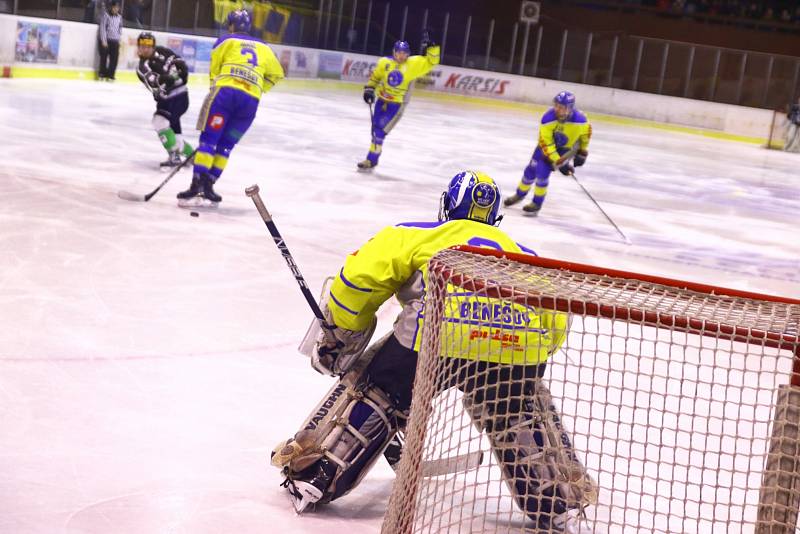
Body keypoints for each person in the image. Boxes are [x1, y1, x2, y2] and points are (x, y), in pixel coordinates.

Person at [270, 171, 597, 529]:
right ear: (494, 217)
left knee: (379, 393)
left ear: (447, 205)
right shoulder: (523, 254)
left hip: (435, 337)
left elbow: (357, 282)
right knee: (515, 410)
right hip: (516, 345)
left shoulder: (417, 233)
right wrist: (522, 353)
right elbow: (556, 320)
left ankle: (316, 477)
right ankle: (554, 499)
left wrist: (343, 333)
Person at [177, 9, 284, 204]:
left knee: (208, 141)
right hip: (250, 102)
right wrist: (259, 88)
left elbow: (214, 71)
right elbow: (277, 74)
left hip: (225, 94)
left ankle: (197, 184)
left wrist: (215, 89)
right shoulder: (265, 48)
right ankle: (209, 184)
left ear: (231, 26)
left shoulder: (225, 41)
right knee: (226, 146)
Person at [357, 35, 440, 171]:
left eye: (404, 53)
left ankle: (371, 160)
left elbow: (432, 62)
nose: (401, 56)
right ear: (394, 52)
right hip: (380, 102)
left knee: (379, 132)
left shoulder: (413, 65)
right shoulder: (384, 63)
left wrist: (432, 48)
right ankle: (371, 160)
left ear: (408, 54)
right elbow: (376, 77)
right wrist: (369, 89)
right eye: (399, 52)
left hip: (396, 106)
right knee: (375, 131)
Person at [504, 91, 592, 216]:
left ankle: (536, 203)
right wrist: (560, 163)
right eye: (556, 105)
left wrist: (582, 153)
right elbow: (547, 144)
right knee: (529, 171)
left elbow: (585, 136)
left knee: (542, 173)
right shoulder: (548, 118)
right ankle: (519, 195)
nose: (557, 109)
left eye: (561, 107)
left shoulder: (581, 121)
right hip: (543, 149)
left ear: (570, 108)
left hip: (563, 151)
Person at [135, 33, 195, 169]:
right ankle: (191, 155)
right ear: (139, 47)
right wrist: (166, 78)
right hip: (166, 101)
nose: (145, 49)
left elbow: (178, 63)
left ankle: (174, 156)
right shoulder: (142, 67)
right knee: (174, 136)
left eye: (148, 46)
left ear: (153, 46)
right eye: (143, 46)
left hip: (179, 97)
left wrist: (182, 70)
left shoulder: (163, 51)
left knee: (159, 121)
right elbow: (156, 83)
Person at [98, 0, 122, 81]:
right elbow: (102, 28)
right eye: (114, 7)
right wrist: (104, 41)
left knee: (114, 59)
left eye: (117, 8)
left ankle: (111, 75)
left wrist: (119, 39)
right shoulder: (106, 15)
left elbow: (120, 29)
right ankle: (102, 73)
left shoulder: (119, 17)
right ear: (111, 8)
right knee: (104, 58)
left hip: (115, 41)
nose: (116, 9)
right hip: (107, 40)